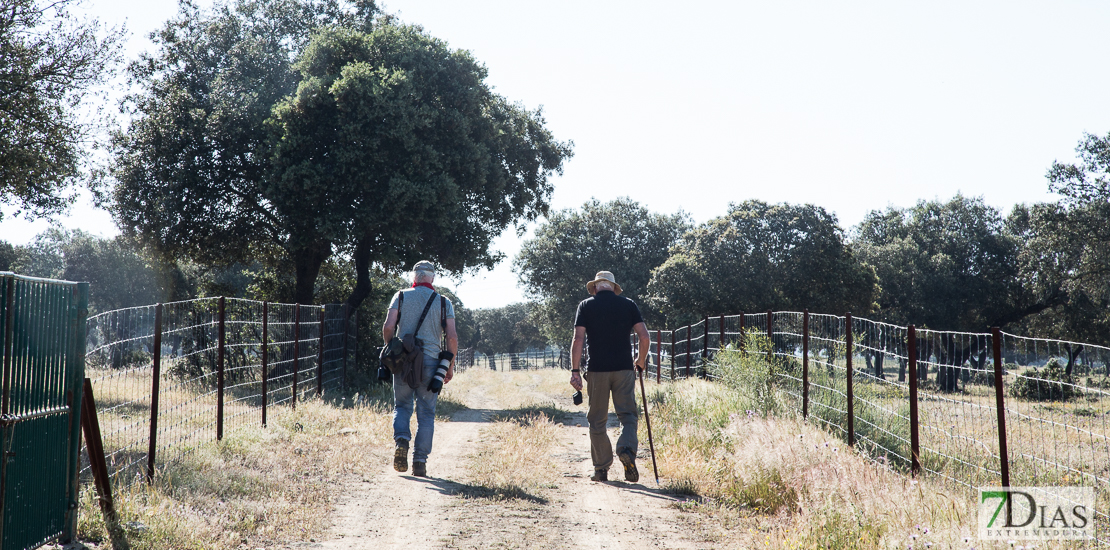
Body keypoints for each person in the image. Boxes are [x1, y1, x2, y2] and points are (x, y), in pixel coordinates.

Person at [570, 271, 650, 482]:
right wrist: (640, 361)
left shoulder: (586, 306)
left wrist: (575, 371)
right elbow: (644, 336)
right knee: (628, 416)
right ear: (613, 288)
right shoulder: (628, 304)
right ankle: (626, 449)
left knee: (597, 420)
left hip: (597, 370)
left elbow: (578, 340)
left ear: (595, 287)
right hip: (624, 369)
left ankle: (601, 469)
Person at [382, 260, 458, 477]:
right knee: (426, 413)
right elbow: (451, 337)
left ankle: (402, 441)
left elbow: (388, 327)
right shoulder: (444, 302)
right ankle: (420, 462)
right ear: (432, 278)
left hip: (403, 361)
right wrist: (449, 366)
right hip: (431, 363)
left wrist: (392, 349)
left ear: (414, 277)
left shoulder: (401, 296)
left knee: (402, 405)